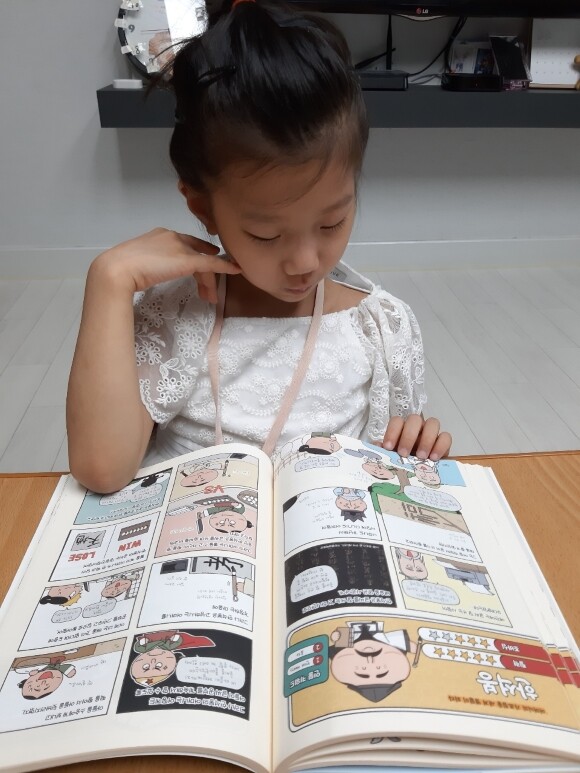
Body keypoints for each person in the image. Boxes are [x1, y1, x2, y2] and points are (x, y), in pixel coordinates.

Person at [66, 0, 452, 494]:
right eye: (267, 236)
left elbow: (393, 466)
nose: (305, 262)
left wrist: (416, 448)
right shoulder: (174, 318)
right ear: (202, 207)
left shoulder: (379, 327)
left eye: (332, 222)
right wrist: (109, 277)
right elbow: (101, 469)